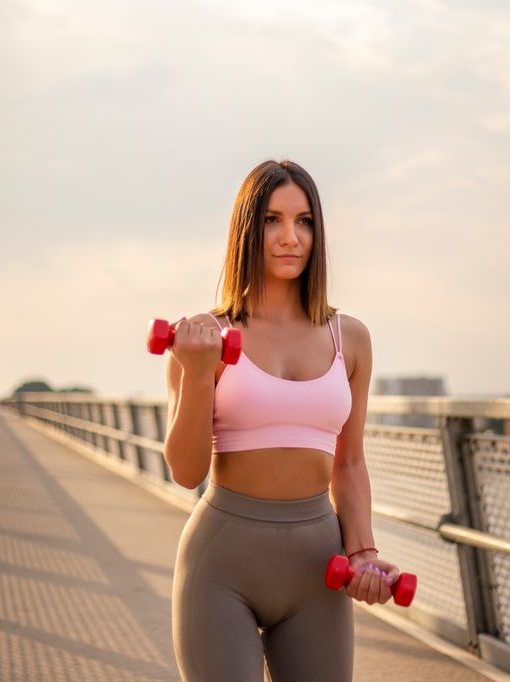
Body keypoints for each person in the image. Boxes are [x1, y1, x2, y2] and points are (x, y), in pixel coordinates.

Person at [164, 159, 400, 682]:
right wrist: (198, 373)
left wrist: (362, 551)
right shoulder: (204, 338)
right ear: (246, 230)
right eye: (272, 219)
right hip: (221, 566)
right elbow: (184, 471)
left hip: (317, 568)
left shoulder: (350, 338)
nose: (290, 237)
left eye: (304, 221)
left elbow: (349, 460)